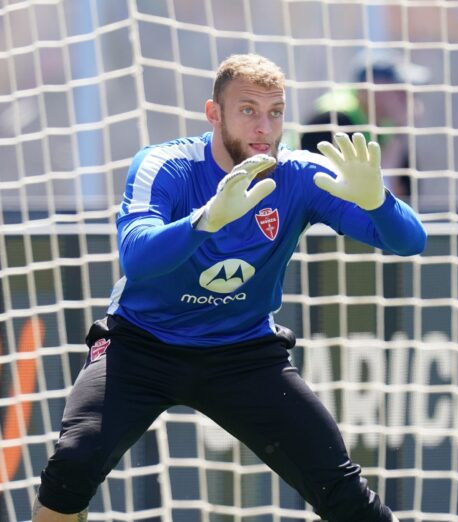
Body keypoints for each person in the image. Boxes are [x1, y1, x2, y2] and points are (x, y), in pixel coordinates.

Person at [32, 53, 426, 522]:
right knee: (73, 463)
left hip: (243, 350)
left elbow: (409, 242)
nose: (264, 127)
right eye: (248, 111)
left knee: (341, 491)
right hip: (141, 344)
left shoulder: (298, 175)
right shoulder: (167, 165)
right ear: (213, 113)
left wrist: (377, 200)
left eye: (275, 112)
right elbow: (135, 257)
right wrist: (207, 219)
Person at [300, 49, 430, 199]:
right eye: (400, 88)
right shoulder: (333, 119)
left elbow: (405, 196)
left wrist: (400, 133)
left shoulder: (386, 124)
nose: (408, 98)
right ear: (372, 86)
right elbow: (349, 198)